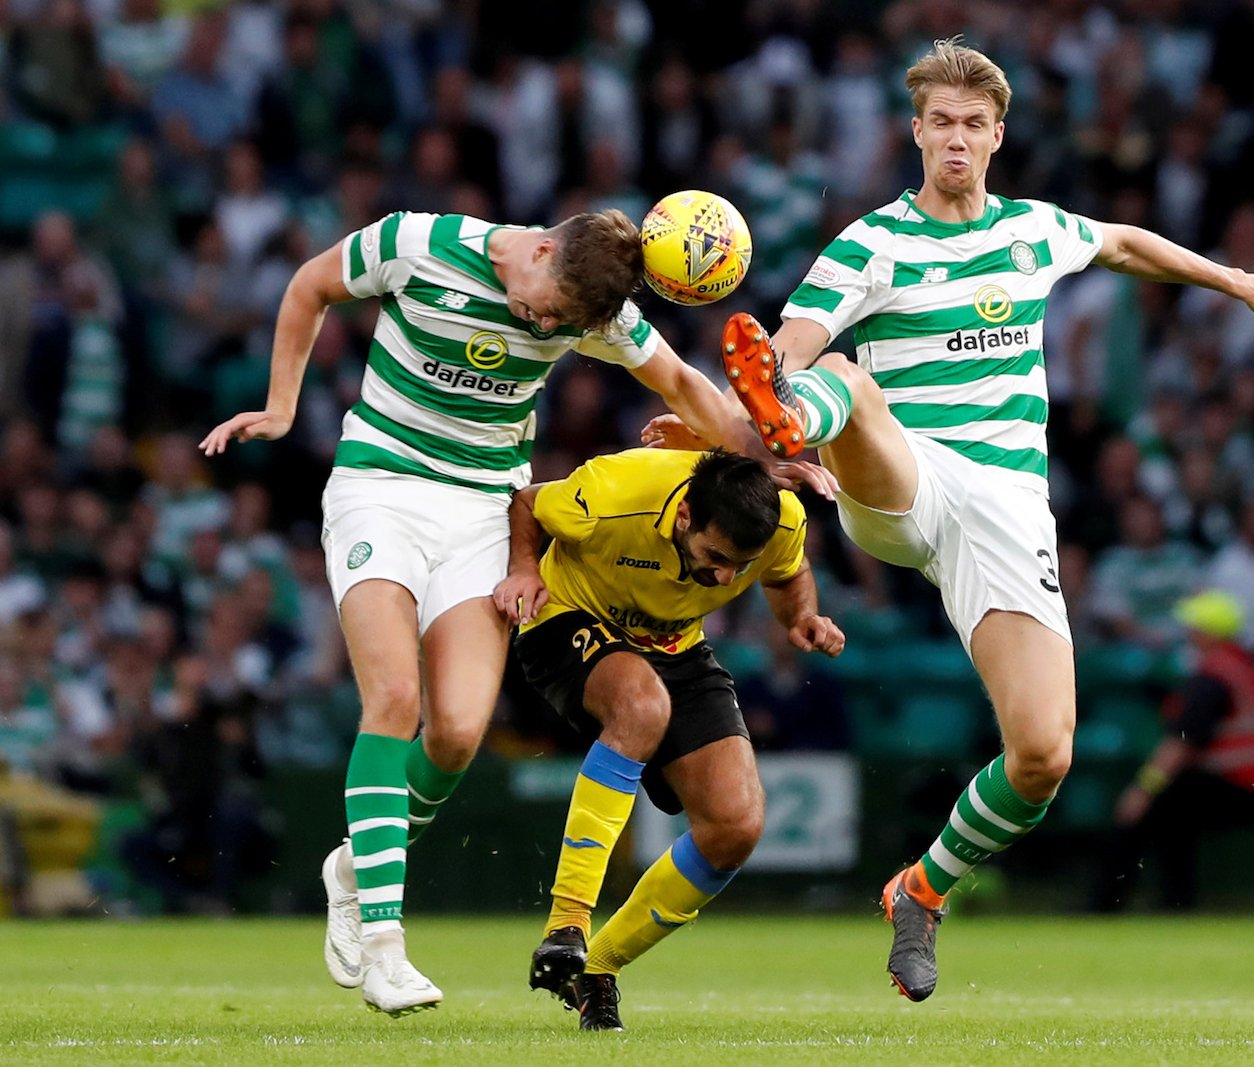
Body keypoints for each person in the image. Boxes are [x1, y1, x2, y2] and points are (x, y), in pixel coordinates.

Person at [649, 37, 1254, 1002]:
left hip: (1007, 507)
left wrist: (1237, 281)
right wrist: (774, 391)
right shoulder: (871, 244)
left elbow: (1125, 241)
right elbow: (787, 341)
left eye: (972, 124)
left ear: (996, 136)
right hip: (903, 480)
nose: (955, 139)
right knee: (839, 379)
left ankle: (921, 889)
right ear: (915, 133)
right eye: (939, 123)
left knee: (1043, 753)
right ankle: (798, 421)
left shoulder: (1033, 232)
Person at [198, 207, 826, 1016]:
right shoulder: (416, 245)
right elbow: (310, 284)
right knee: (394, 700)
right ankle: (384, 942)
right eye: (546, 308)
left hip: (482, 509)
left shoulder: (593, 308)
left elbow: (678, 381)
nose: (542, 325)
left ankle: (356, 866)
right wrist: (283, 406)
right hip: (380, 488)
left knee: (457, 733)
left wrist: (761, 456)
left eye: (561, 326)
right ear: (537, 250)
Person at [492, 447, 843, 1031]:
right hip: (569, 618)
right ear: (684, 517)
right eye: (716, 557)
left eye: (739, 564)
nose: (727, 577)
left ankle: (597, 969)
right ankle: (566, 923)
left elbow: (787, 570)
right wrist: (525, 567)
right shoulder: (613, 494)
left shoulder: (778, 518)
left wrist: (799, 617)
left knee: (736, 825)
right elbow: (528, 501)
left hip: (674, 645)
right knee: (641, 705)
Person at [1088, 591, 1254, 912]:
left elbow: (1181, 743)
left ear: (1210, 633)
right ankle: (1175, 903)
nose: (1189, 633)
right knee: (1173, 818)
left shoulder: (1214, 675)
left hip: (1243, 784)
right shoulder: (1242, 666)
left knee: (1144, 812)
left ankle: (1105, 905)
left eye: (1195, 627)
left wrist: (1143, 789)